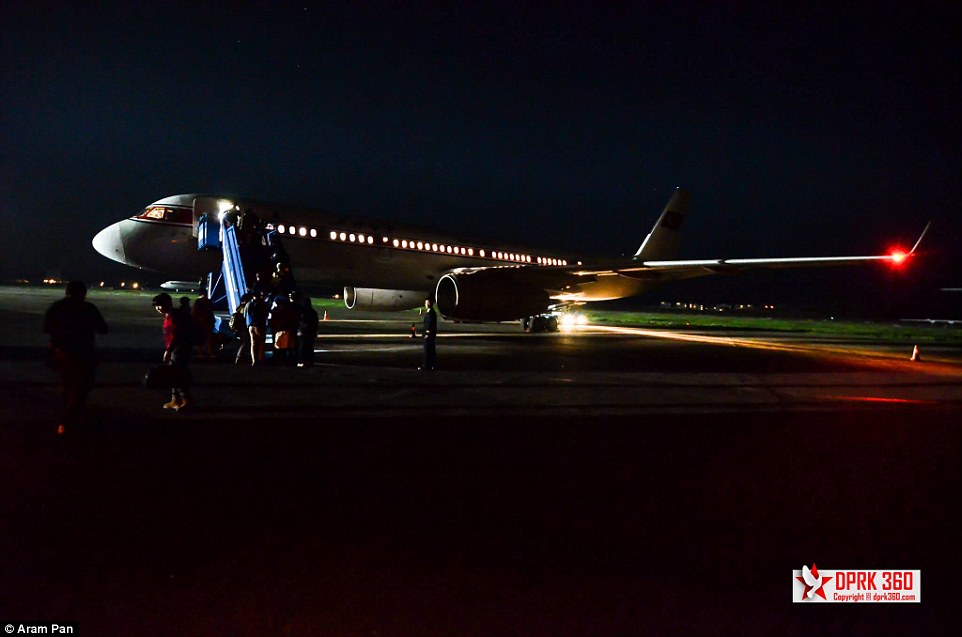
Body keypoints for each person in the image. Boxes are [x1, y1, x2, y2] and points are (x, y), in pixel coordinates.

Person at [43, 281, 108, 434]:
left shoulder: (57, 307)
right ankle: (70, 419)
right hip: (84, 354)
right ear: (84, 293)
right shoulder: (88, 308)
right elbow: (102, 329)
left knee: (68, 386)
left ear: (67, 292)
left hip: (62, 353)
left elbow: (47, 328)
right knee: (83, 386)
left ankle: (69, 419)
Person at [152, 293, 194, 411]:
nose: (158, 308)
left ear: (167, 304)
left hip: (178, 349)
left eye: (159, 305)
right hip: (177, 348)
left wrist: (169, 351)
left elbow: (176, 334)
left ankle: (186, 400)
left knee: (177, 374)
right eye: (156, 306)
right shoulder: (171, 315)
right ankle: (176, 400)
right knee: (173, 373)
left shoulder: (174, 316)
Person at [245, 290, 269, 365]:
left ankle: (254, 360)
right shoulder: (262, 304)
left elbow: (245, 315)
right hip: (259, 325)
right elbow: (266, 314)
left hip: (250, 326)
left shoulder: (248, 304)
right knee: (261, 343)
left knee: (253, 343)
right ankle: (261, 359)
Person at [297, 296, 319, 368]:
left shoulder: (303, 312)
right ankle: (309, 361)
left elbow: (302, 323)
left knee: (303, 348)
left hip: (305, 333)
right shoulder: (313, 312)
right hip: (311, 333)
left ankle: (304, 361)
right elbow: (316, 324)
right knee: (309, 347)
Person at [420, 298, 437, 371]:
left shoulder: (431, 313)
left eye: (426, 303)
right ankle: (431, 365)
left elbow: (430, 324)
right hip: (429, 334)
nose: (425, 305)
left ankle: (426, 366)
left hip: (428, 335)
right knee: (430, 350)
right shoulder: (429, 312)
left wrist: (427, 333)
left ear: (430, 303)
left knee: (427, 351)